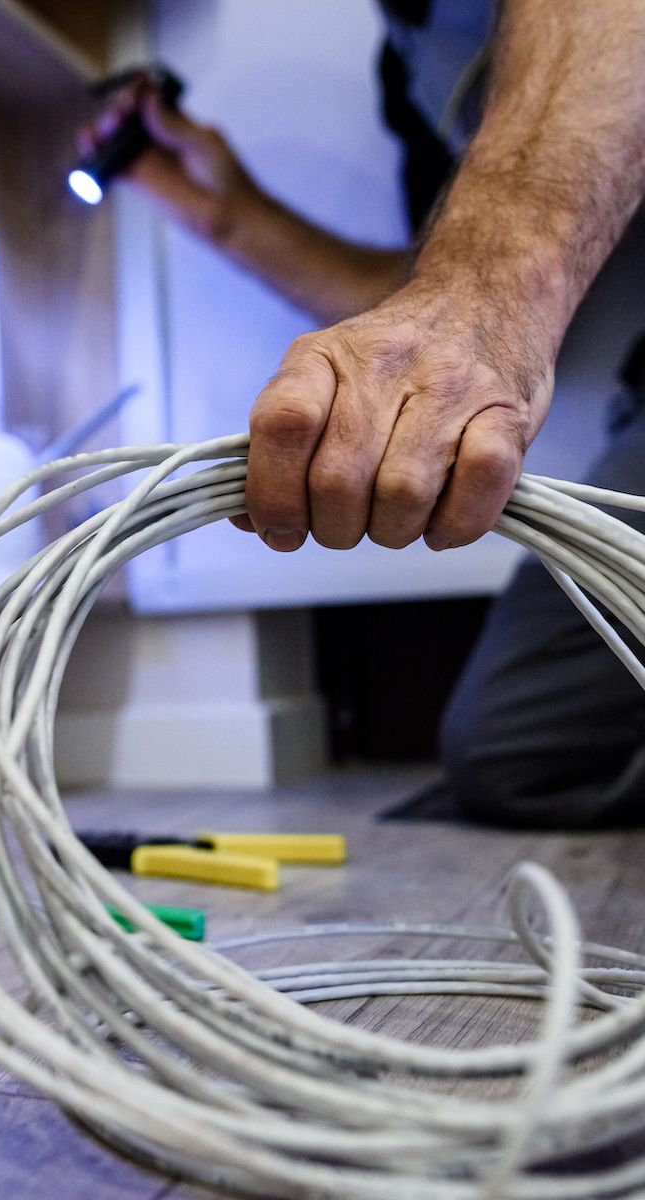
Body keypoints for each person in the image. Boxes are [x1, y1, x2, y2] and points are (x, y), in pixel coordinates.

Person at [81, 0, 645, 827]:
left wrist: (488, 292)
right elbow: (420, 310)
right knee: (517, 753)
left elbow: (473, 294)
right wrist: (227, 216)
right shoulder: (410, 65)